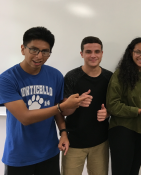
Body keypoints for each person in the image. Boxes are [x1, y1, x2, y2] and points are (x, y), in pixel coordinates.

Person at [0, 27, 88, 175]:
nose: (39, 56)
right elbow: (25, 118)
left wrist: (64, 133)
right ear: (23, 49)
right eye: (34, 50)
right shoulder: (7, 79)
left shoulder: (55, 75)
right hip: (19, 155)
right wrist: (62, 106)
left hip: (49, 152)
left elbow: (56, 110)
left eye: (45, 51)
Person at [106, 37, 141, 175]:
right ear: (131, 52)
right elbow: (112, 105)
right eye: (138, 52)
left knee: (134, 172)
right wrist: (140, 111)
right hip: (122, 131)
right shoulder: (120, 74)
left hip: (140, 131)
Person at [61, 36, 112, 175]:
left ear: (102, 53)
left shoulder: (110, 77)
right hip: (73, 142)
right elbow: (64, 111)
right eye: (88, 51)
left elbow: (115, 105)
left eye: (97, 51)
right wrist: (76, 104)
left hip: (100, 142)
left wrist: (108, 113)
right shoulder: (71, 76)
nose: (93, 55)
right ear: (81, 54)